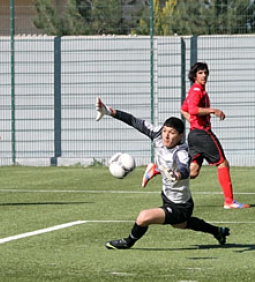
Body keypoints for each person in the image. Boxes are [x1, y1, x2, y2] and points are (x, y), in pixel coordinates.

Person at [95, 98, 230, 249]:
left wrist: (177, 175)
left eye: (172, 133)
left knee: (143, 217)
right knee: (180, 225)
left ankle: (128, 242)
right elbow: (133, 121)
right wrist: (109, 112)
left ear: (180, 136)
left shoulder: (180, 152)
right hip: (168, 196)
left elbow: (184, 169)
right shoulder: (158, 134)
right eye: (165, 130)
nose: (166, 135)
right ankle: (218, 231)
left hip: (180, 205)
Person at [180, 62, 249, 209]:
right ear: (194, 76)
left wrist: (193, 123)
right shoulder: (196, 90)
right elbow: (192, 109)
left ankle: (158, 170)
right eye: (200, 73)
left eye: (205, 73)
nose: (204, 75)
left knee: (192, 171)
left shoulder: (197, 90)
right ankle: (229, 201)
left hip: (194, 134)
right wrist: (213, 111)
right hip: (202, 134)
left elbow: (184, 109)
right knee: (222, 163)